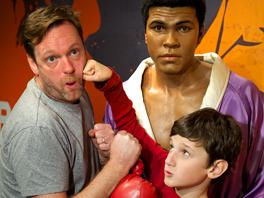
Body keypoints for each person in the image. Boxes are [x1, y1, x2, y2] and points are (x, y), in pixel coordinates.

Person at [104, 0, 264, 197]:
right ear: (145, 33)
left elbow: (261, 183)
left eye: (184, 28)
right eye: (159, 27)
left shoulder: (244, 96)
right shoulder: (122, 98)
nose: (170, 41)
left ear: (200, 32)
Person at [0, 4, 142, 198]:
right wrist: (118, 165)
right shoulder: (36, 128)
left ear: (84, 49)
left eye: (74, 52)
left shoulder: (72, 88)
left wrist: (103, 157)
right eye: (52, 59)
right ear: (33, 64)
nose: (68, 68)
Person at [83, 60, 243, 198]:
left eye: (185, 152)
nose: (169, 160)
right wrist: (111, 84)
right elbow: (130, 125)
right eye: (172, 147)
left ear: (215, 169)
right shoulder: (166, 175)